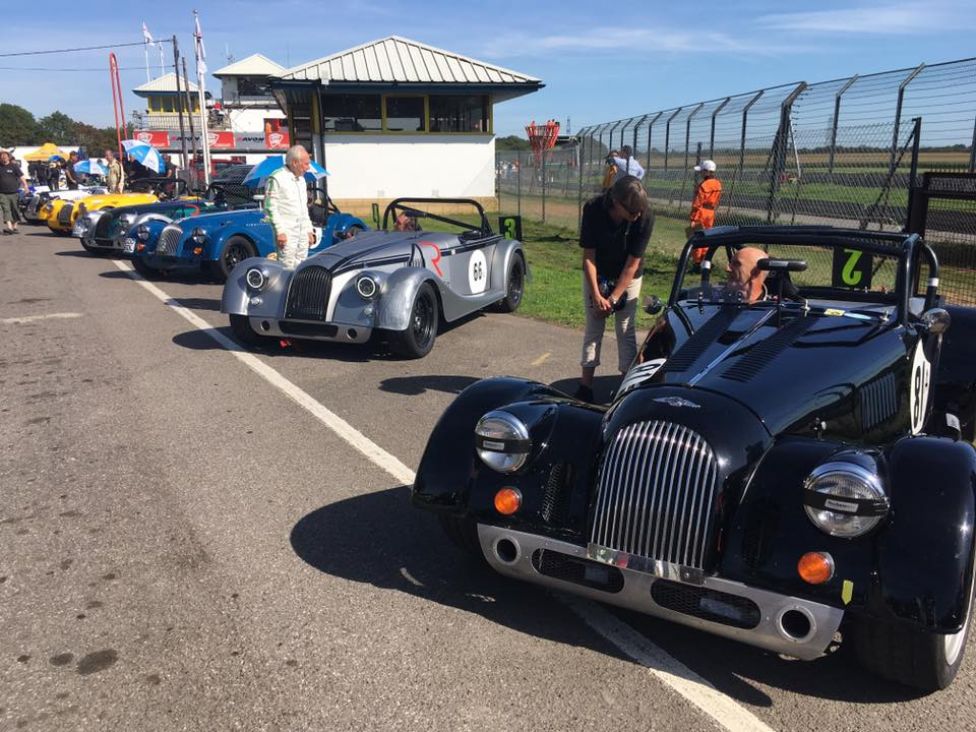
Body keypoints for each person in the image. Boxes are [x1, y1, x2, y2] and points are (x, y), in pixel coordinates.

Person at [575, 175, 654, 403]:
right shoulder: (593, 209)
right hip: (598, 271)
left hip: (628, 274)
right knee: (593, 327)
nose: (637, 217)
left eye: (640, 212)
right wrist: (597, 296)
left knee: (625, 329)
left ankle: (626, 390)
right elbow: (588, 257)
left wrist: (615, 296)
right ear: (616, 203)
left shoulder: (645, 217)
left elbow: (633, 263)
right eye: (632, 213)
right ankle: (585, 387)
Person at [264, 144, 315, 268]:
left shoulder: (302, 180)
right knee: (286, 266)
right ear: (294, 163)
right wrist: (279, 231)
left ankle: (300, 288)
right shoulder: (276, 178)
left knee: (302, 264)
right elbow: (270, 207)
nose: (308, 168)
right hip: (287, 232)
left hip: (302, 231)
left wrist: (309, 230)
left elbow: (304, 208)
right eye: (305, 164)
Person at [687, 160, 722, 265]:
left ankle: (697, 263)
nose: (701, 173)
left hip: (701, 212)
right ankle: (705, 261)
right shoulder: (718, 184)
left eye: (702, 171)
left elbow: (698, 202)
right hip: (710, 213)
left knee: (696, 236)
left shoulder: (704, 185)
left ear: (707, 172)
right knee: (707, 236)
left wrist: (693, 217)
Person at [0, 150, 30, 235]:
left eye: (5, 156)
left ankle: (14, 226)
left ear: (8, 157)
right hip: (2, 193)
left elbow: (22, 177)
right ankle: (9, 227)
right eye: (1, 156)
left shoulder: (14, 166)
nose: (3, 157)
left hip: (14, 192)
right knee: (6, 209)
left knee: (15, 210)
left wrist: (26, 186)